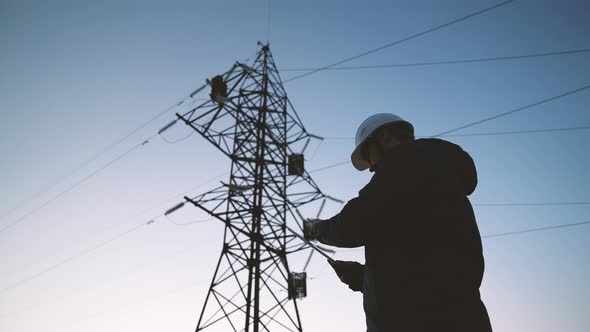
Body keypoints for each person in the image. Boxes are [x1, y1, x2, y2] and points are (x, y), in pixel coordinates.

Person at [304, 113, 492, 332]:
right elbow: (424, 267)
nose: (372, 168)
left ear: (383, 136)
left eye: (368, 155)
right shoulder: (439, 181)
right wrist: (362, 277)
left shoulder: (405, 163)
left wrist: (315, 229)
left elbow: (353, 224)